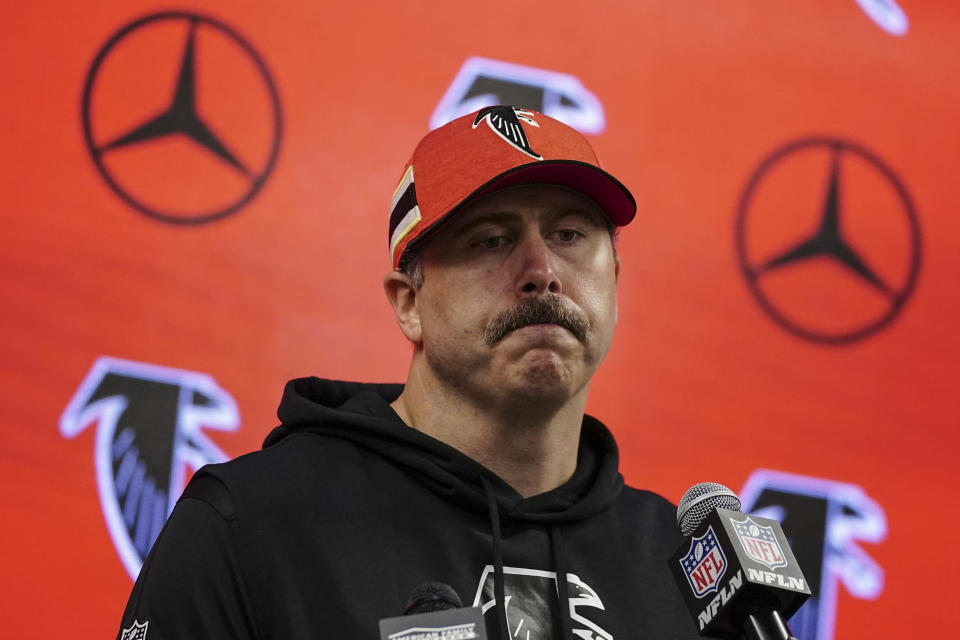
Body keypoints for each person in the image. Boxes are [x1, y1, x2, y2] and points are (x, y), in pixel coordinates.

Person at [115, 106, 699, 640]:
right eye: (491, 239)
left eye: (570, 234)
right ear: (408, 304)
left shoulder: (690, 569)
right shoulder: (252, 526)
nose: (542, 271)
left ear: (615, 278)